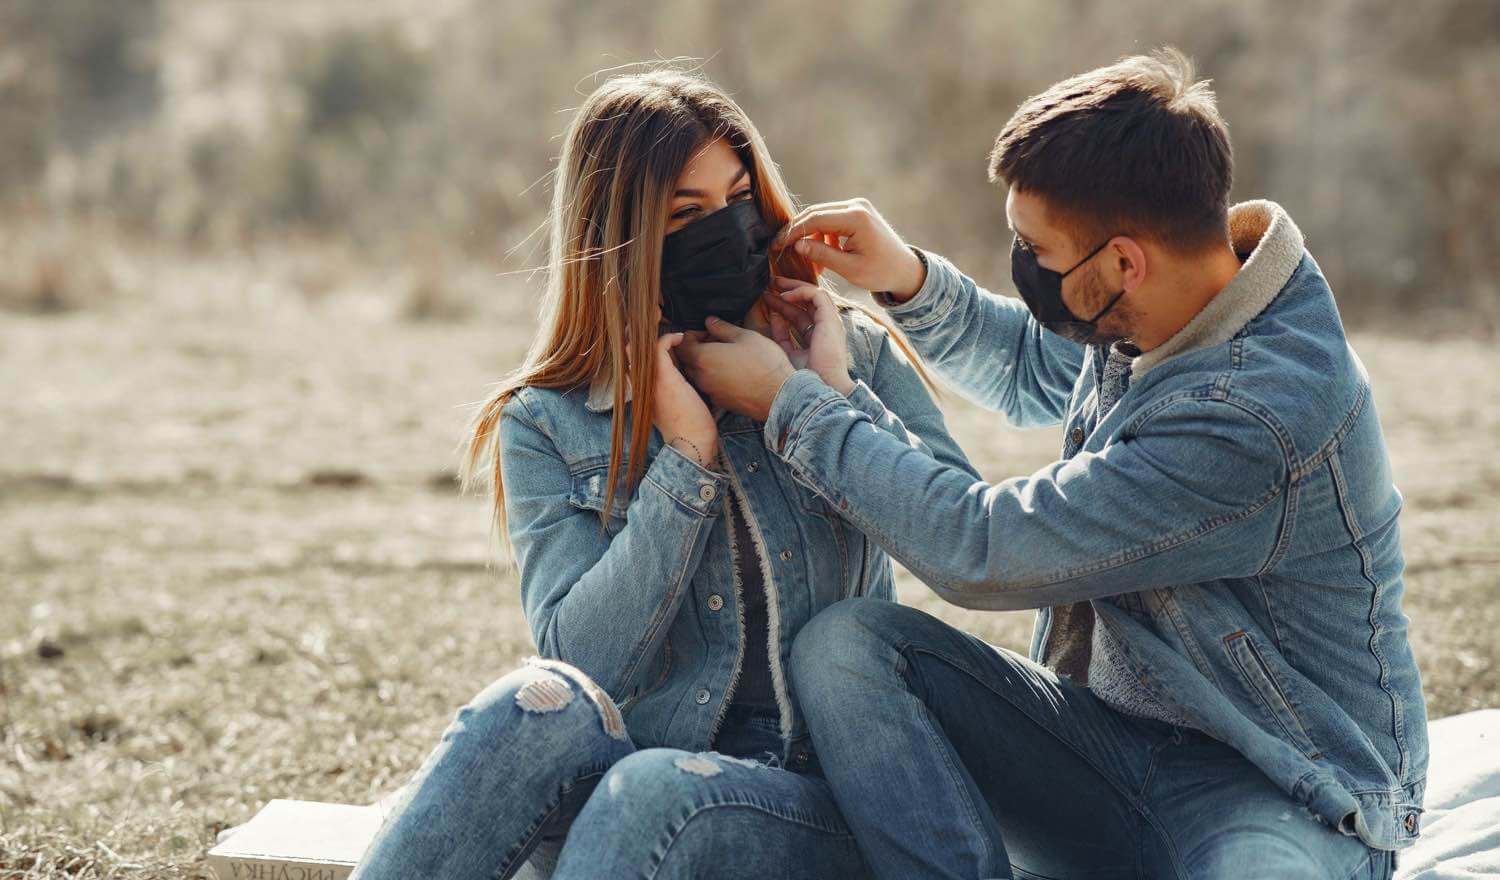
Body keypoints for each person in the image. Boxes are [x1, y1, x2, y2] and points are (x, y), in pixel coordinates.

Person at [678, 48, 1426, 879]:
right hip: (1108, 753)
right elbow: (1039, 367)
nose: (1025, 267)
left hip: (1282, 789)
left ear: (1122, 262)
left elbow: (985, 551)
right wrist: (906, 279)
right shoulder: (1175, 305)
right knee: (848, 648)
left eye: (1035, 251)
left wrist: (793, 405)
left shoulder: (1256, 416)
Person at [347, 68, 974, 880]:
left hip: (813, 799)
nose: (731, 230)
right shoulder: (548, 419)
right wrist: (685, 459)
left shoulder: (841, 349)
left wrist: (823, 401)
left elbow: (959, 533)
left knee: (652, 790)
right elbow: (584, 662)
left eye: (741, 199)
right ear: (619, 240)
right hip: (630, 791)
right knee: (529, 704)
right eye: (687, 215)